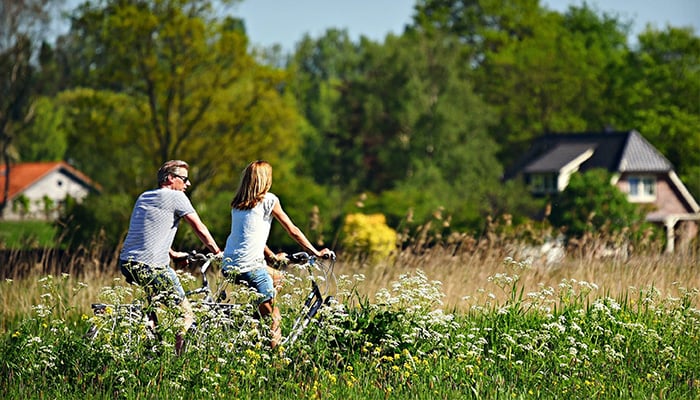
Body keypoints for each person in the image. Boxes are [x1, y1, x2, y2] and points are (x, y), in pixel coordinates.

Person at [222, 160, 333, 348]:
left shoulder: (238, 205)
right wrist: (315, 252)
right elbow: (292, 230)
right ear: (266, 180)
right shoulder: (269, 200)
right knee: (275, 318)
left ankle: (256, 322)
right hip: (251, 267)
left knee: (278, 277)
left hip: (229, 265)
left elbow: (249, 235)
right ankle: (276, 363)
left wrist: (271, 255)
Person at [119, 160, 222, 355]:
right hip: (152, 266)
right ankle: (178, 361)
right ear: (170, 179)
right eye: (184, 179)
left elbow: (148, 233)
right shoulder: (177, 197)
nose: (188, 184)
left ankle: (149, 347)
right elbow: (199, 227)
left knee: (152, 310)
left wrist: (173, 254)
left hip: (127, 262)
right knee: (186, 314)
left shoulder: (144, 197)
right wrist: (217, 252)